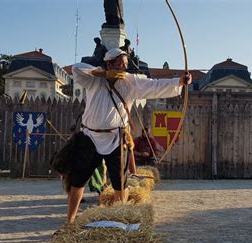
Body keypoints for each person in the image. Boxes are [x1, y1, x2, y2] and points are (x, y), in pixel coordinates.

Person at [67, 47, 192, 224]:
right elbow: (77, 68)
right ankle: (70, 221)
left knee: (120, 182)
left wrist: (179, 81)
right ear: (109, 64)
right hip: (90, 138)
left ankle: (120, 219)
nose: (123, 69)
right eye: (119, 65)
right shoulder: (93, 81)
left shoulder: (130, 82)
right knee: (78, 181)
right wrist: (104, 74)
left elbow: (155, 85)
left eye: (125, 65)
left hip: (116, 139)